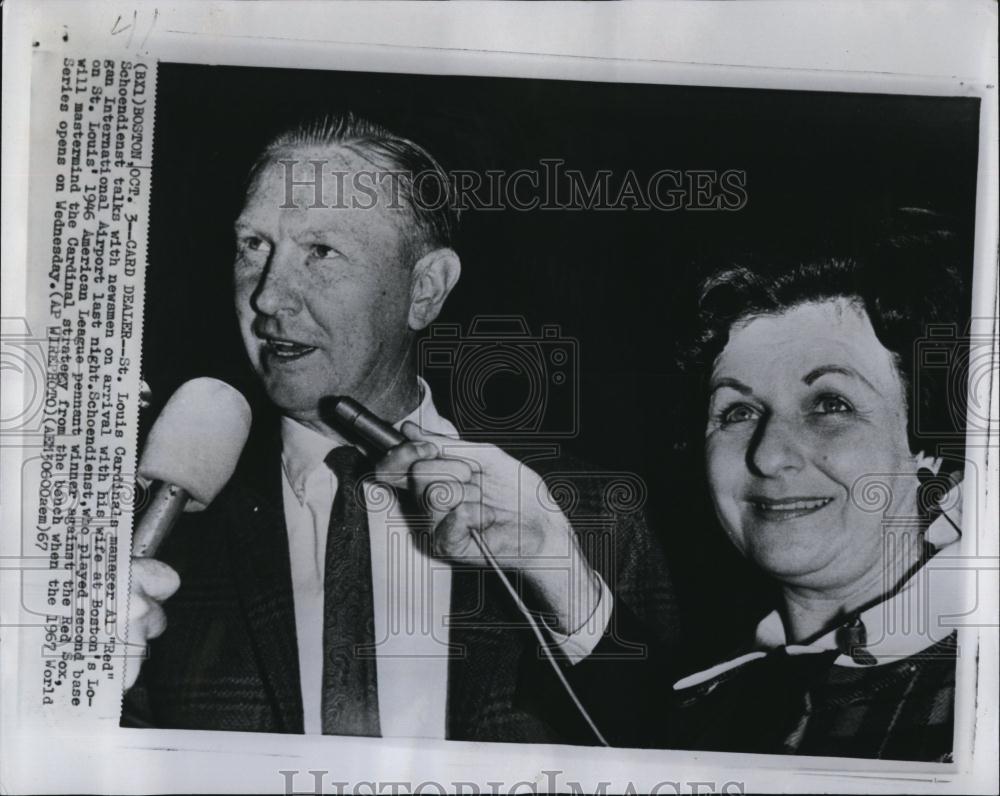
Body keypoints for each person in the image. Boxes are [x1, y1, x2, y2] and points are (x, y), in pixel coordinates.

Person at [121, 113, 678, 742]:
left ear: (425, 290)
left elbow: (678, 755)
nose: (269, 299)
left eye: (321, 252)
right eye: (254, 246)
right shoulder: (156, 539)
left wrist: (567, 585)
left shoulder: (589, 518)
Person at [537, 216, 969, 761]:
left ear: (927, 446)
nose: (767, 454)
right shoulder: (718, 703)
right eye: (737, 411)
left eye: (830, 405)